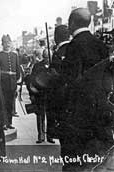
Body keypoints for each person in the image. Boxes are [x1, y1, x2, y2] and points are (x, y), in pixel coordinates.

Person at [61, 8, 112, 171]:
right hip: (100, 115)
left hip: (78, 116)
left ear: (72, 23)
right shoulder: (101, 46)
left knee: (74, 162)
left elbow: (69, 84)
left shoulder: (73, 47)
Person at [26, 49, 55, 144]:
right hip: (40, 95)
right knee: (40, 115)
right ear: (43, 56)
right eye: (46, 57)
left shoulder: (54, 65)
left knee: (51, 116)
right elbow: (31, 81)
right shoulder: (37, 66)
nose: (47, 59)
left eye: (49, 57)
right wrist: (32, 95)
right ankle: (41, 135)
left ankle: (50, 135)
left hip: (51, 95)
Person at [0, 35, 20, 129]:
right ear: (2, 44)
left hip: (12, 83)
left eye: (9, 42)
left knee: (10, 104)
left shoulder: (15, 55)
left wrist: (17, 82)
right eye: (6, 42)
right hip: (3, 83)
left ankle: (9, 122)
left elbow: (17, 70)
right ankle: (3, 123)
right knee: (3, 104)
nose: (8, 44)